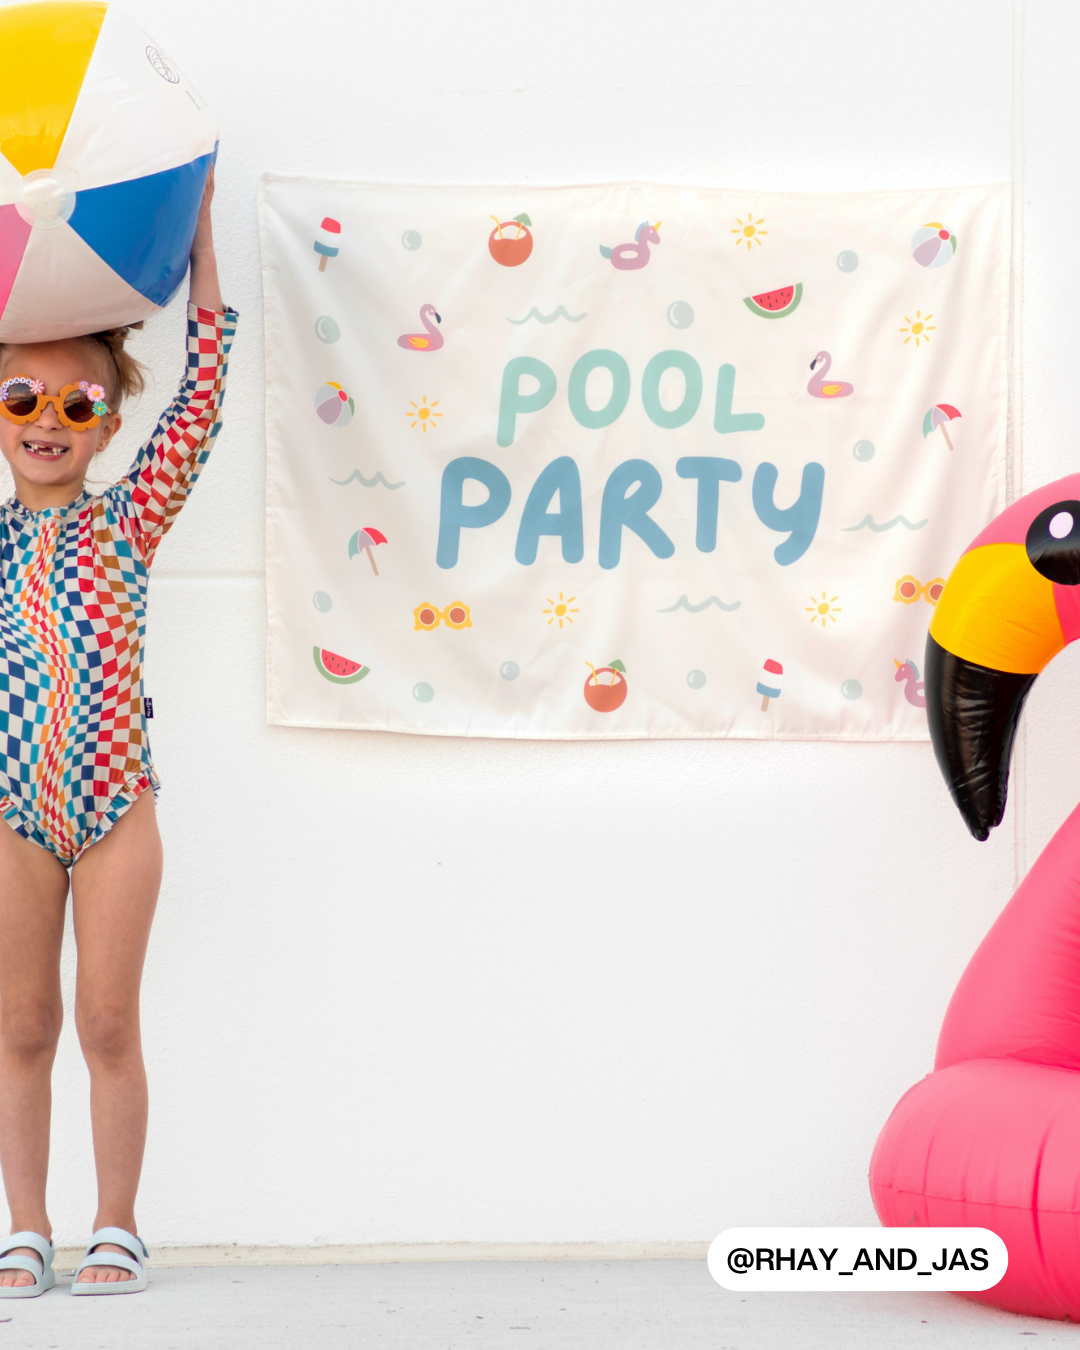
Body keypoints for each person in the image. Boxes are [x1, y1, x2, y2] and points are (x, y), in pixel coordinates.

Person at [0, 169, 234, 1295]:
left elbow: (203, 399)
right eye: (22, 399)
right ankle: (24, 1227)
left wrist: (202, 242)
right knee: (21, 1024)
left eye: (76, 404)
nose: (48, 420)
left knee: (103, 1020)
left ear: (107, 422)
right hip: (13, 812)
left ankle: (117, 1222)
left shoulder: (129, 521)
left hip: (113, 807)